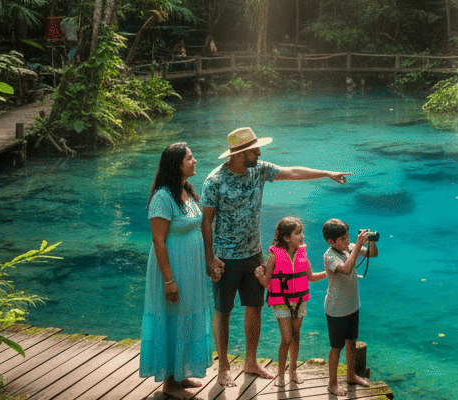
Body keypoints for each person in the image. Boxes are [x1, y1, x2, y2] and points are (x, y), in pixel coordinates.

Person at [200, 126, 352, 387]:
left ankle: (250, 361)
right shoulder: (214, 181)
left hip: (254, 254)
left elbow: (292, 172)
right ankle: (223, 366)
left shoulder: (259, 170)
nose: (259, 153)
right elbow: (206, 223)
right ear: (239, 154)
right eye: (254, 150)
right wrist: (210, 258)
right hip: (225, 257)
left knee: (255, 307)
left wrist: (326, 173)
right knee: (222, 311)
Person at [139, 143, 212, 399]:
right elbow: (158, 240)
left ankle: (180, 374)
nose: (195, 161)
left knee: (187, 315)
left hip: (190, 268)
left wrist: (209, 261)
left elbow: (198, 227)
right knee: (172, 317)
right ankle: (169, 383)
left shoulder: (186, 190)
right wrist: (169, 280)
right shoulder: (162, 196)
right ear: (177, 164)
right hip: (172, 268)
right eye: (190, 158)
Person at [254, 216, 326, 386]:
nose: (302, 237)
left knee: (295, 336)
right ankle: (280, 375)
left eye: (302, 233)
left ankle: (293, 371)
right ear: (286, 238)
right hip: (281, 302)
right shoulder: (274, 256)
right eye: (298, 233)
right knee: (286, 339)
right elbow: (268, 283)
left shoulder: (302, 252)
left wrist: (328, 273)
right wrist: (259, 277)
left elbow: (310, 277)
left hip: (300, 301)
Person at [322, 218, 378, 397]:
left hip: (352, 305)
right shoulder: (329, 255)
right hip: (336, 309)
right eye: (342, 239)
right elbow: (346, 269)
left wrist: (370, 241)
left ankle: (351, 375)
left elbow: (372, 254)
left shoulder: (349, 248)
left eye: (347, 237)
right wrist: (356, 246)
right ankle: (332, 383)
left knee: (352, 342)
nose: (346, 241)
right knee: (336, 347)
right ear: (331, 242)